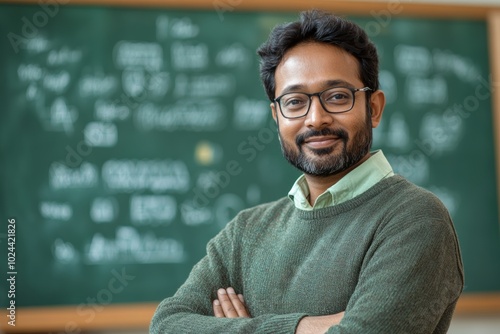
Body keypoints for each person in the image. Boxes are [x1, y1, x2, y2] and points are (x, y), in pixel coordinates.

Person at [150, 9, 464, 333]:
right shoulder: (243, 234)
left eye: (338, 96)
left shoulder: (415, 219)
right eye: (295, 101)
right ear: (277, 116)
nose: (316, 118)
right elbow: (167, 324)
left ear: (373, 108)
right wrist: (310, 326)